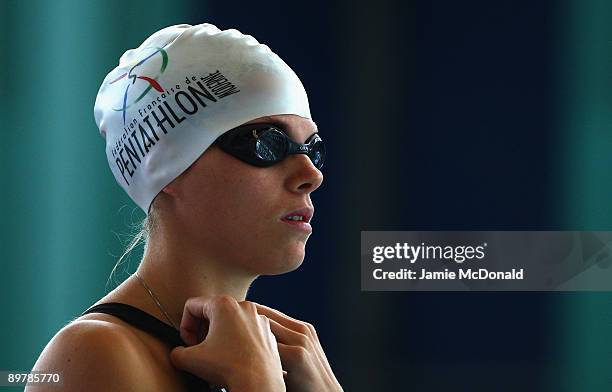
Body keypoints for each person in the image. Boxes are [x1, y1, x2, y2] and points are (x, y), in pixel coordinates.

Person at [29, 23, 342, 392]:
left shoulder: (279, 360)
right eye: (267, 144)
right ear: (169, 168)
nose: (311, 175)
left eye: (314, 149)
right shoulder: (95, 355)